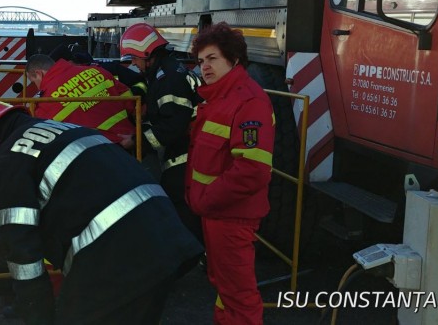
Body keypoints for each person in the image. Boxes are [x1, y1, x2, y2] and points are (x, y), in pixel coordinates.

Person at [0, 100, 203, 325]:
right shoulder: (69, 129)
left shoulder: (8, 156)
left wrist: (37, 313)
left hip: (115, 257)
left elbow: (21, 248)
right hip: (168, 236)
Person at [186, 22, 275, 324]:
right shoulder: (220, 98)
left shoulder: (249, 102)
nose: (204, 67)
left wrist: (205, 199)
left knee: (239, 295)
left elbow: (253, 170)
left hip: (229, 215)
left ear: (234, 59)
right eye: (201, 61)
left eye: (212, 58)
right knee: (225, 287)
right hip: (216, 213)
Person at [119, 22, 204, 243]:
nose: (133, 64)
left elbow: (173, 125)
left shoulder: (168, 79)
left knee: (178, 203)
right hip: (190, 150)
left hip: (187, 155)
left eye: (134, 58)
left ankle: (194, 250)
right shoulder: (166, 72)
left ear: (147, 54)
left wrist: (137, 141)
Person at [25, 53, 136, 149]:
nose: (37, 87)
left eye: (34, 82)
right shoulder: (95, 71)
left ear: (39, 73)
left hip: (94, 153)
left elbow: (46, 139)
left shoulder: (45, 102)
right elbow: (130, 102)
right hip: (130, 141)